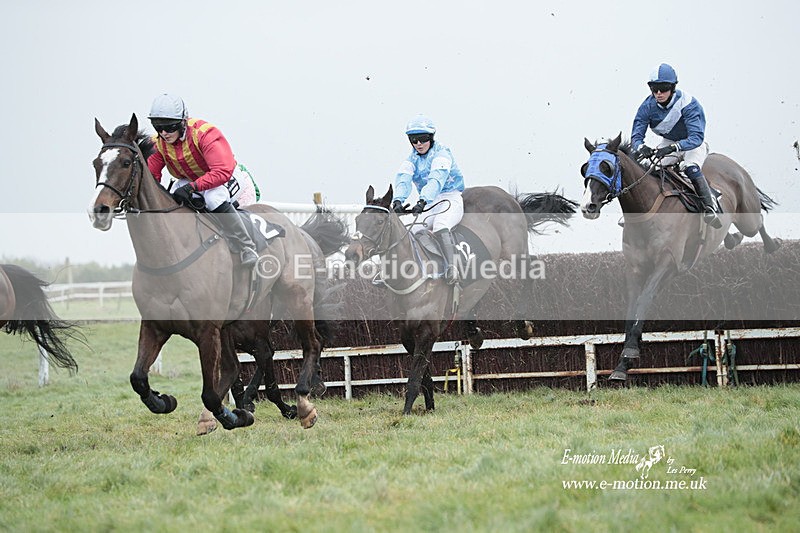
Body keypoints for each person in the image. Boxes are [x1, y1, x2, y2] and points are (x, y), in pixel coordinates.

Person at [146, 93, 259, 265]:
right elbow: (152, 177)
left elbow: (222, 171)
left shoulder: (205, 134)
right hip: (194, 180)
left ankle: (247, 245)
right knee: (172, 196)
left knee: (213, 198)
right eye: (158, 127)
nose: (164, 133)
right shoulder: (159, 142)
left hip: (225, 176)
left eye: (169, 127)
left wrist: (192, 187)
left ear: (182, 122)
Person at [631, 63, 722, 228]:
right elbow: (636, 136)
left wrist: (673, 148)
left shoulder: (688, 103)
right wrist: (640, 147)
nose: (658, 93)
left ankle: (711, 205)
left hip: (693, 143)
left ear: (672, 87)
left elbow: (696, 137)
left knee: (689, 166)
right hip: (670, 142)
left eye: (664, 88)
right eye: (654, 88)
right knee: (649, 168)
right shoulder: (646, 107)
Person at [391, 114, 465, 284]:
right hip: (431, 203)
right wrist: (397, 201)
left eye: (423, 139)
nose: (418, 144)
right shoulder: (411, 160)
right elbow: (403, 179)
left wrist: (422, 201)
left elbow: (436, 180)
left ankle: (452, 268)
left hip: (450, 198)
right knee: (409, 229)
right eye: (413, 139)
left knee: (440, 225)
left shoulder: (442, 154)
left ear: (431, 138)